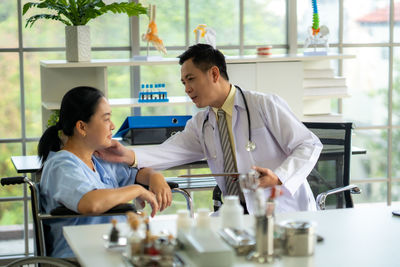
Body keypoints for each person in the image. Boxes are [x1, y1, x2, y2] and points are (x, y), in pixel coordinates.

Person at [96, 44, 323, 214]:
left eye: (191, 79)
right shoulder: (201, 124)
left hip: (283, 209)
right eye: (183, 83)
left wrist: (279, 177)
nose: (187, 88)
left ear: (214, 74)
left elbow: (309, 144)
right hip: (237, 212)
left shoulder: (263, 105)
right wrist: (128, 155)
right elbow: (169, 151)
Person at [38, 86, 172, 258]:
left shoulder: (98, 160)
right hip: (81, 255)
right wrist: (138, 190)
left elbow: (137, 174)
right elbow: (91, 204)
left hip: (110, 249)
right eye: (106, 119)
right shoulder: (62, 166)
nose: (113, 126)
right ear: (82, 127)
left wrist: (155, 176)